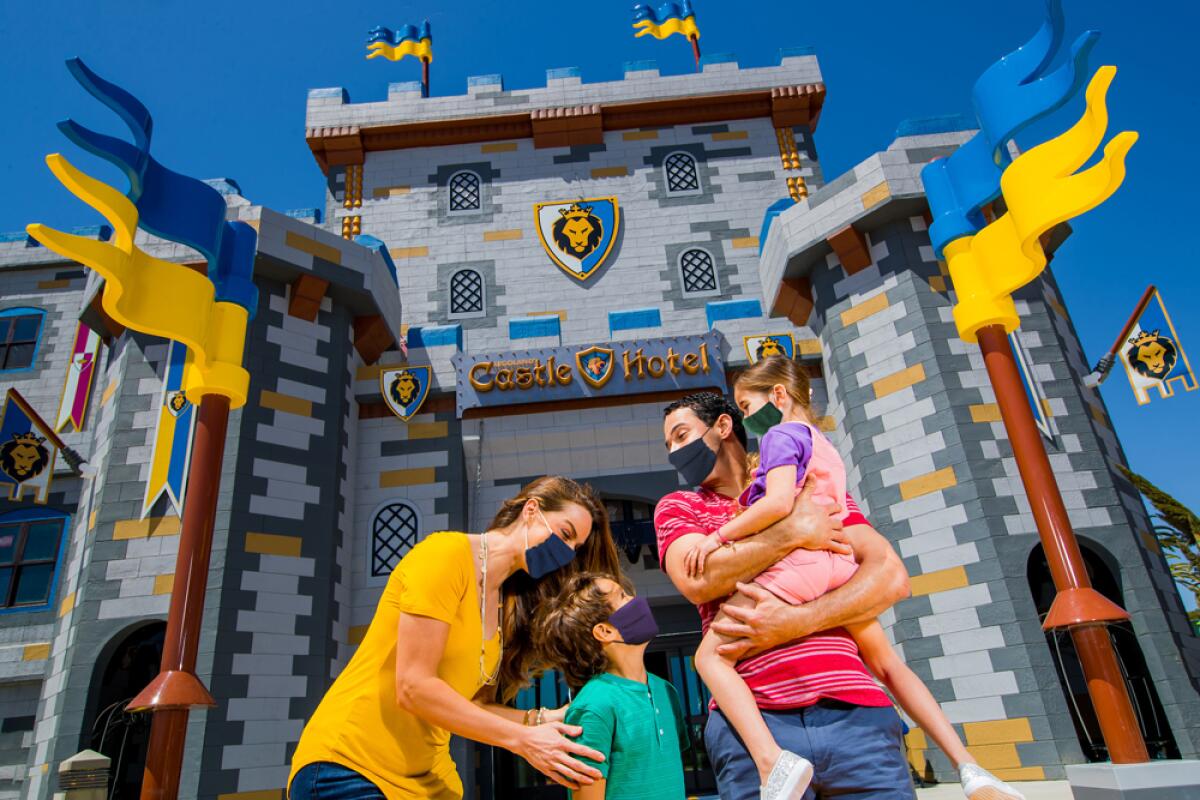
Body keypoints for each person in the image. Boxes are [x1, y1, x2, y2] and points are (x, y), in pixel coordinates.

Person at [683, 357, 1024, 800]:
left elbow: (779, 503)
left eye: (749, 406)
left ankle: (773, 764)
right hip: (837, 563)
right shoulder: (823, 444)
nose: (750, 419)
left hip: (796, 566)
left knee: (708, 660)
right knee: (888, 663)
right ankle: (971, 769)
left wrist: (718, 537)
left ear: (779, 396)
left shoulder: (781, 435)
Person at [289, 476, 622, 799]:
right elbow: (413, 686)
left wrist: (546, 720)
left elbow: (475, 706)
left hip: (423, 780)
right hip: (349, 765)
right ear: (531, 510)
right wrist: (524, 740)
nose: (565, 552)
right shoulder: (445, 554)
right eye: (565, 534)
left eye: (574, 548)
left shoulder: (505, 606)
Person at [656, 391, 913, 799]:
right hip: (752, 725)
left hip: (854, 712)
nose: (674, 451)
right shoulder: (680, 507)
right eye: (668, 443)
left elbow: (890, 577)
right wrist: (791, 531)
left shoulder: (807, 481)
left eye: (681, 435)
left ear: (723, 426)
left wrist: (798, 620)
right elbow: (698, 581)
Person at [536, 573, 690, 800]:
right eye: (623, 596)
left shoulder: (667, 691)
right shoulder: (594, 705)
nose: (635, 599)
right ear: (604, 631)